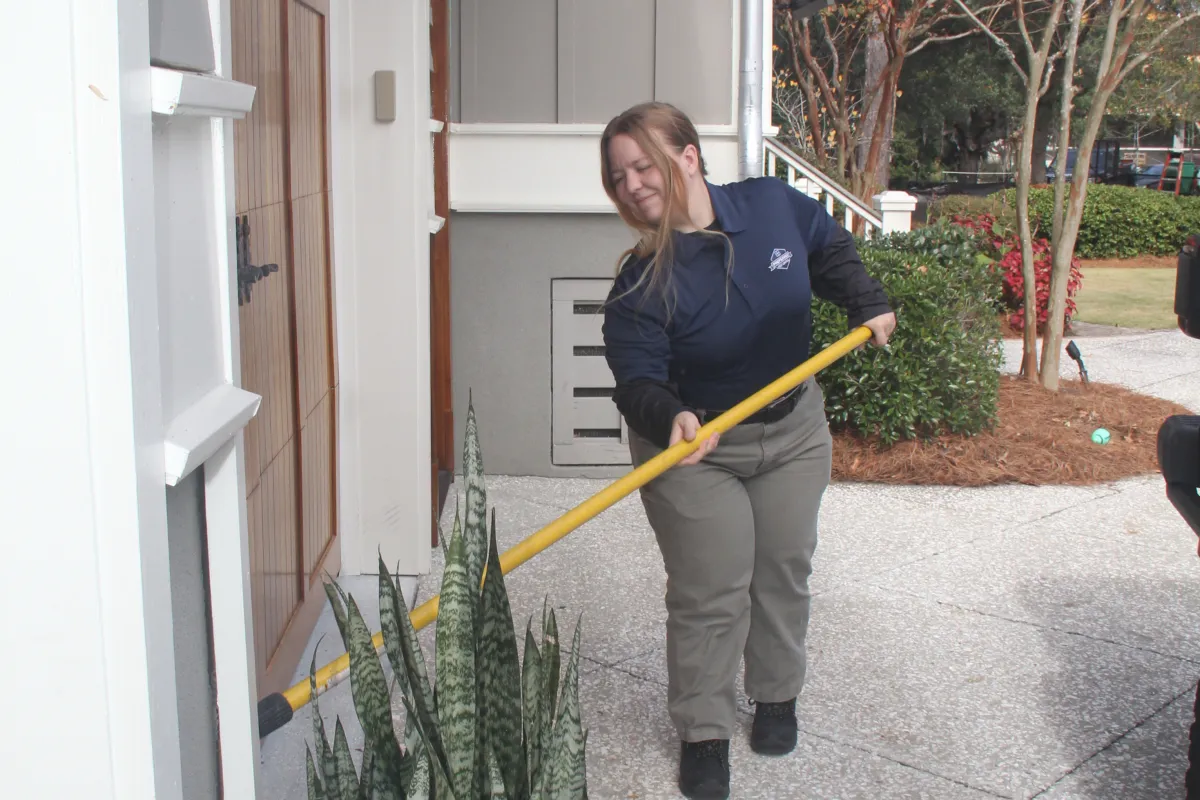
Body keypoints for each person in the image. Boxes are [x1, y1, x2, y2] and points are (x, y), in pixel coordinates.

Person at [598, 101, 896, 800]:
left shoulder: (771, 205)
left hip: (792, 431)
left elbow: (828, 250)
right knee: (711, 590)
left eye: (644, 164)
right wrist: (670, 413)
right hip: (695, 448)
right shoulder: (639, 284)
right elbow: (637, 379)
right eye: (618, 176)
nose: (632, 184)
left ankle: (777, 695)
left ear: (689, 157)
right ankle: (704, 731)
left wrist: (865, 299)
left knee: (783, 569)